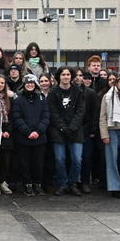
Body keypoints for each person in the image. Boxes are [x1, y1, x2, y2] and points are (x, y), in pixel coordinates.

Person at [47, 67, 86, 196]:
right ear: (59, 76)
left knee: (77, 159)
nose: (66, 77)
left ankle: (73, 183)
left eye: (68, 74)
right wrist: (63, 128)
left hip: (75, 131)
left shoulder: (78, 91)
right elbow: (52, 112)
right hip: (58, 131)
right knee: (59, 159)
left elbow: (80, 111)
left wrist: (72, 128)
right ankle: (62, 184)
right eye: (63, 74)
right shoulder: (53, 92)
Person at [11, 74, 49, 197]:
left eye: (32, 83)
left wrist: (38, 131)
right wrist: (28, 132)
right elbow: (17, 118)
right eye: (27, 83)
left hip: (39, 137)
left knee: (38, 163)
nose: (30, 85)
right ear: (23, 85)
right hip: (24, 138)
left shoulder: (42, 99)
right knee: (24, 163)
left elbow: (46, 117)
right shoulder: (18, 100)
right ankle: (27, 185)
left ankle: (38, 184)